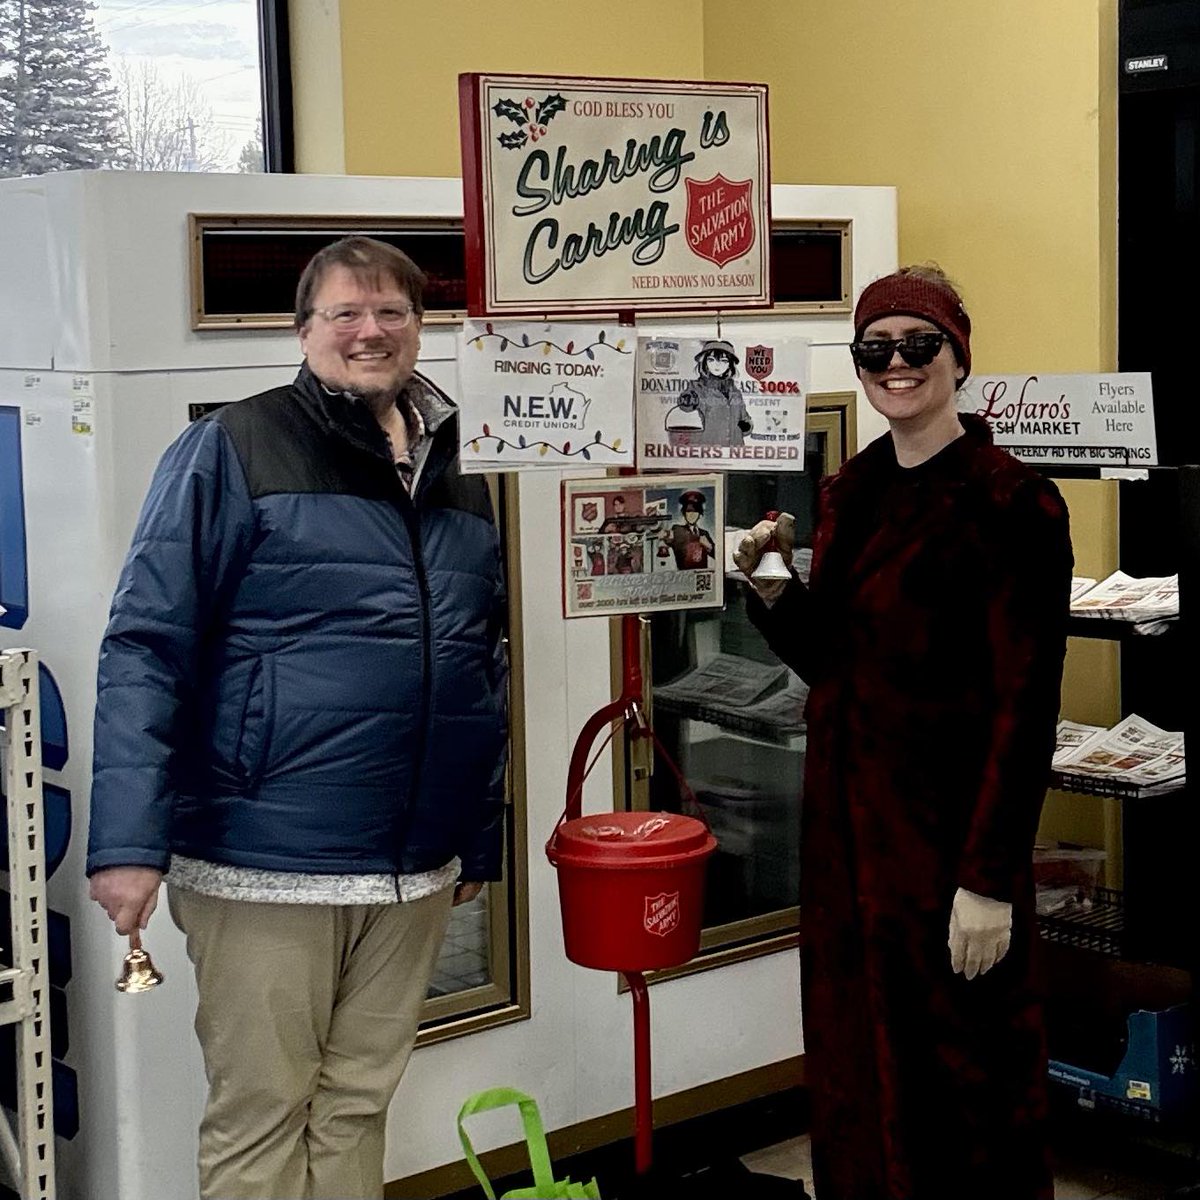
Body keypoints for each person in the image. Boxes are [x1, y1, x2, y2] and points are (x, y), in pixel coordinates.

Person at [86, 236, 508, 1200]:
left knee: (359, 1098)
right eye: (345, 313)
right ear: (303, 330)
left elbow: (479, 664)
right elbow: (147, 644)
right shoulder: (231, 446)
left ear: (420, 327)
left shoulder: (457, 462)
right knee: (261, 1110)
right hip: (263, 857)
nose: (371, 331)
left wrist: (470, 841)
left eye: (393, 312)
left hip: (411, 863)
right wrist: (127, 845)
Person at [734, 265, 1071, 1200]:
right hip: (846, 842)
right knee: (853, 1077)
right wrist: (771, 590)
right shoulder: (849, 493)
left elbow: (1026, 706)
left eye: (919, 345)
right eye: (875, 349)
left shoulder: (1016, 504)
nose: (897, 365)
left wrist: (989, 881)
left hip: (949, 847)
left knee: (965, 1092)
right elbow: (831, 659)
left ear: (958, 359)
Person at [669, 339, 752, 448]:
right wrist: (688, 400)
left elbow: (745, 420)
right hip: (709, 450)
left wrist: (745, 426)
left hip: (735, 451)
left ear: (729, 364)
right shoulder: (698, 387)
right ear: (705, 363)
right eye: (711, 360)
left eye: (723, 361)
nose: (717, 365)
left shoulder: (735, 391)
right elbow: (685, 405)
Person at [660, 489, 716, 569]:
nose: (691, 515)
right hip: (685, 576)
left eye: (695, 512)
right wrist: (665, 536)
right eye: (688, 512)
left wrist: (709, 546)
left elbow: (718, 556)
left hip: (702, 576)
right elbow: (668, 538)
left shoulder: (704, 533)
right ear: (684, 514)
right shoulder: (677, 530)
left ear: (699, 514)